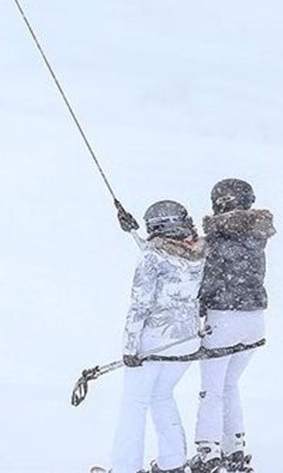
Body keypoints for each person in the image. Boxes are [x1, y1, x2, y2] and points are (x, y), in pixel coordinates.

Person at [108, 200, 205, 473]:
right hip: (186, 341)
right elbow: (168, 263)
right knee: (162, 396)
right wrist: (132, 233)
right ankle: (173, 463)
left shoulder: (152, 257)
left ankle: (124, 467)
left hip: (154, 342)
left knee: (134, 404)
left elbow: (140, 304)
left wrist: (129, 347)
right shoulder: (197, 252)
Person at [188, 179, 275, 473]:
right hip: (254, 319)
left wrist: (198, 307)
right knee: (229, 385)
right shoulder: (256, 234)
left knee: (211, 389)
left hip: (224, 317)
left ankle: (207, 452)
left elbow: (205, 277)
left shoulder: (217, 238)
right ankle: (234, 448)